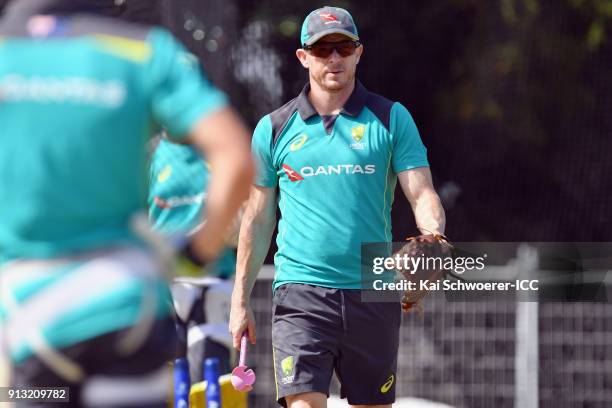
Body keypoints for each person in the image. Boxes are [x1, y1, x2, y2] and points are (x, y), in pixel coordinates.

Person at [0, 0, 253, 406]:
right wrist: (194, 254)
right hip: (126, 312)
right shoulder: (143, 50)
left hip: (28, 319)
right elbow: (237, 159)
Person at [229, 6, 446, 408]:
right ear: (303, 56)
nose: (334, 58)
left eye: (343, 47)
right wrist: (240, 301)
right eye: (322, 48)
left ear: (358, 53)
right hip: (301, 293)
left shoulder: (391, 118)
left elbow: (422, 194)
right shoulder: (274, 128)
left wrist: (433, 238)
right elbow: (257, 220)